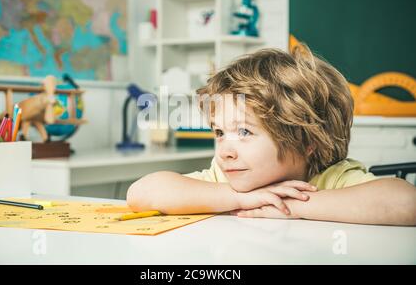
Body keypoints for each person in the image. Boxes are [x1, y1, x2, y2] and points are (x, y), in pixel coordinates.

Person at [127, 45, 416, 226]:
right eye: (219, 132)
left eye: (244, 131)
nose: (224, 150)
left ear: (307, 142)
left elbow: (407, 204)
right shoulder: (228, 179)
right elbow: (140, 194)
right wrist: (240, 199)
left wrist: (289, 206)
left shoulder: (329, 178)